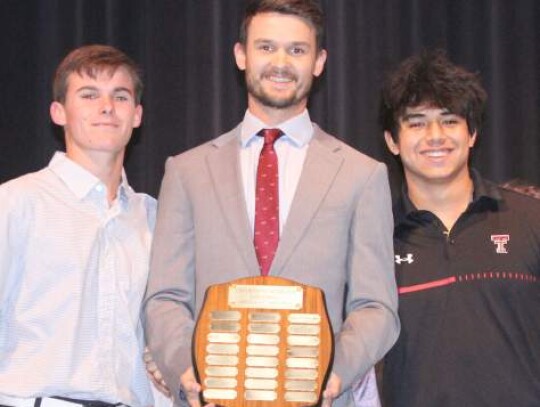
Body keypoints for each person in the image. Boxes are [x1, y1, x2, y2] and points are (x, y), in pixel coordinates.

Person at [143, 1, 399, 406]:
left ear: (319, 62)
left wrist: (333, 372)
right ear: (241, 55)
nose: (281, 62)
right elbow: (165, 297)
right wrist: (186, 369)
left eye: (297, 50)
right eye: (266, 47)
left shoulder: (361, 175)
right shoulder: (187, 171)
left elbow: (376, 306)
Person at [379, 50, 540, 406]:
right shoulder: (375, 240)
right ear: (392, 140)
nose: (435, 136)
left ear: (472, 133)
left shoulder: (531, 220)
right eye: (416, 123)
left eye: (450, 121)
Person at [0, 45, 158, 407]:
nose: (106, 107)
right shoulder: (16, 203)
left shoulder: (152, 217)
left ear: (136, 115)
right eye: (89, 95)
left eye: (120, 96)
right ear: (59, 112)